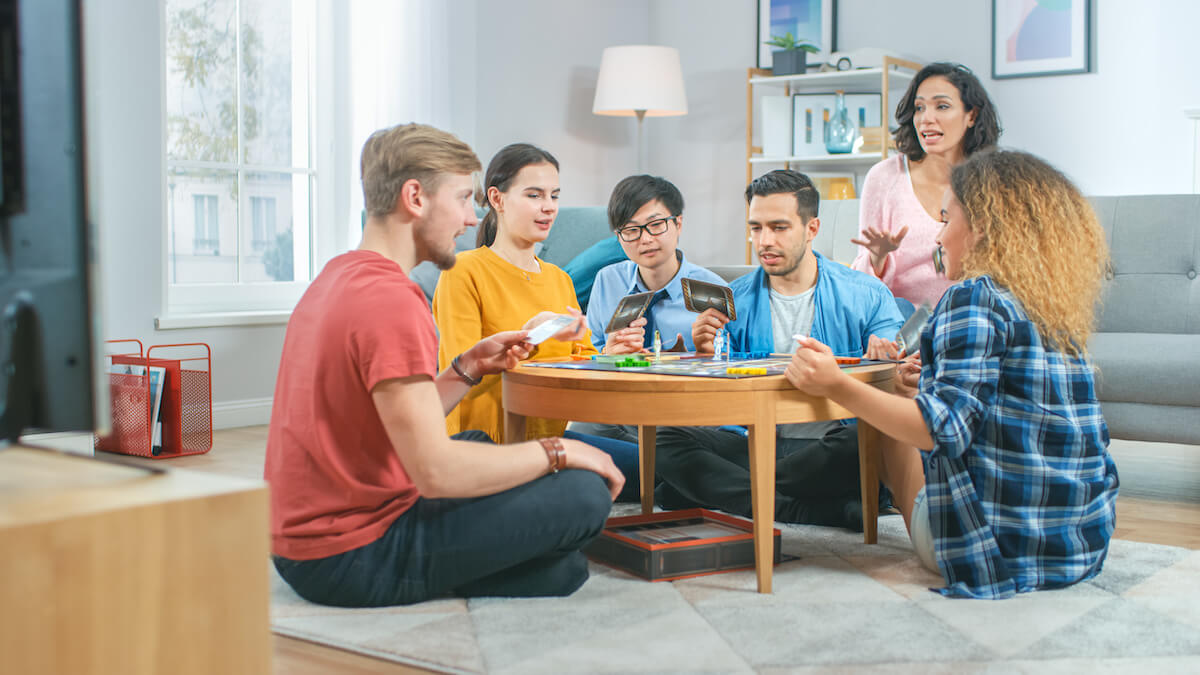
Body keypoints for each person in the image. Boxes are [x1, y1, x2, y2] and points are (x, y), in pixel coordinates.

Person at [264, 124, 624, 608]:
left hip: (301, 540)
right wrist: (559, 450)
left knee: (477, 447)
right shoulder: (391, 300)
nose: (470, 218)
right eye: (461, 199)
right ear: (415, 197)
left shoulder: (341, 274)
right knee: (583, 494)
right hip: (348, 555)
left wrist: (467, 368)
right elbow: (434, 471)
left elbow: (391, 415)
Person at [786, 149, 1119, 599]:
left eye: (946, 220)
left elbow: (940, 431)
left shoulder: (971, 297)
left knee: (884, 421)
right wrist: (926, 384)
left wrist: (836, 384)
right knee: (907, 396)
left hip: (993, 553)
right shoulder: (1052, 310)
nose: (938, 238)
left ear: (982, 228)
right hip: (1081, 547)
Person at [651, 169, 905, 529]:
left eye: (779, 227)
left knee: (864, 441)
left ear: (812, 229)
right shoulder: (732, 300)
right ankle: (802, 509)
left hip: (832, 443)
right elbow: (720, 404)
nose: (764, 240)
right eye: (756, 227)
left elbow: (896, 365)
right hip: (756, 439)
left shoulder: (866, 293)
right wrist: (707, 355)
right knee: (664, 440)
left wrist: (885, 355)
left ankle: (724, 491)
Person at [431, 143, 640, 499]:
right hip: (488, 447)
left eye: (554, 195)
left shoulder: (558, 279)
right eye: (534, 194)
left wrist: (610, 353)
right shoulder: (464, 271)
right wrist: (535, 333)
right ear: (497, 198)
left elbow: (580, 365)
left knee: (654, 466)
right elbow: (464, 371)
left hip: (551, 443)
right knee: (608, 481)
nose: (549, 207)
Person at [851, 62, 1001, 311]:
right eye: (919, 108)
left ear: (971, 115)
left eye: (942, 106)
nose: (926, 119)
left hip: (970, 316)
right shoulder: (885, 177)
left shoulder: (994, 181)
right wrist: (877, 258)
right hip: (898, 320)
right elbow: (862, 287)